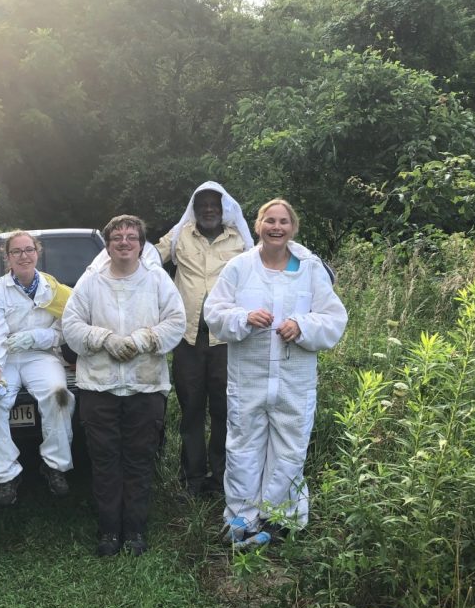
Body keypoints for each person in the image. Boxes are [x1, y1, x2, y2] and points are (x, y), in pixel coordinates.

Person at [203, 198, 347, 549]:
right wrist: (243, 318)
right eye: (270, 220)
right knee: (242, 447)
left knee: (289, 449)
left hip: (293, 379)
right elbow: (214, 312)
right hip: (248, 376)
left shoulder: (309, 268)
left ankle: (279, 519)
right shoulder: (239, 267)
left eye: (284, 221)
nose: (277, 227)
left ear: (293, 227)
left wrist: (302, 324)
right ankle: (241, 518)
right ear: (258, 226)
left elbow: (334, 319)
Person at [62, 215, 186, 556]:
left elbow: (177, 323)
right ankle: (108, 532)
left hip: (145, 388)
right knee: (104, 461)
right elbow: (70, 325)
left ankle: (134, 530)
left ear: (142, 244)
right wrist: (102, 339)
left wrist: (144, 339)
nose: (124, 242)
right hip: (99, 387)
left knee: (138, 460)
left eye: (131, 237)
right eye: (117, 237)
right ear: (108, 244)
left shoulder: (157, 280)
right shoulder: (91, 282)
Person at [155, 182, 253, 499]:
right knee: (192, 410)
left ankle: (221, 477)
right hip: (187, 339)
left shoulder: (239, 239)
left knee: (225, 410)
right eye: (202, 205)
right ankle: (192, 478)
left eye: (214, 204)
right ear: (194, 209)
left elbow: (262, 272)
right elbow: (148, 258)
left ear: (224, 207)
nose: (208, 209)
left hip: (227, 341)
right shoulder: (181, 235)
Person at [0, 231, 74, 506]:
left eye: (28, 250)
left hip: (40, 356)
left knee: (59, 395)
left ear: (37, 252)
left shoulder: (54, 290)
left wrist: (40, 337)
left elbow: (64, 329)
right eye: (16, 251)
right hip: (2, 358)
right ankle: (7, 475)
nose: (23, 256)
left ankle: (55, 466)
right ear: (7, 257)